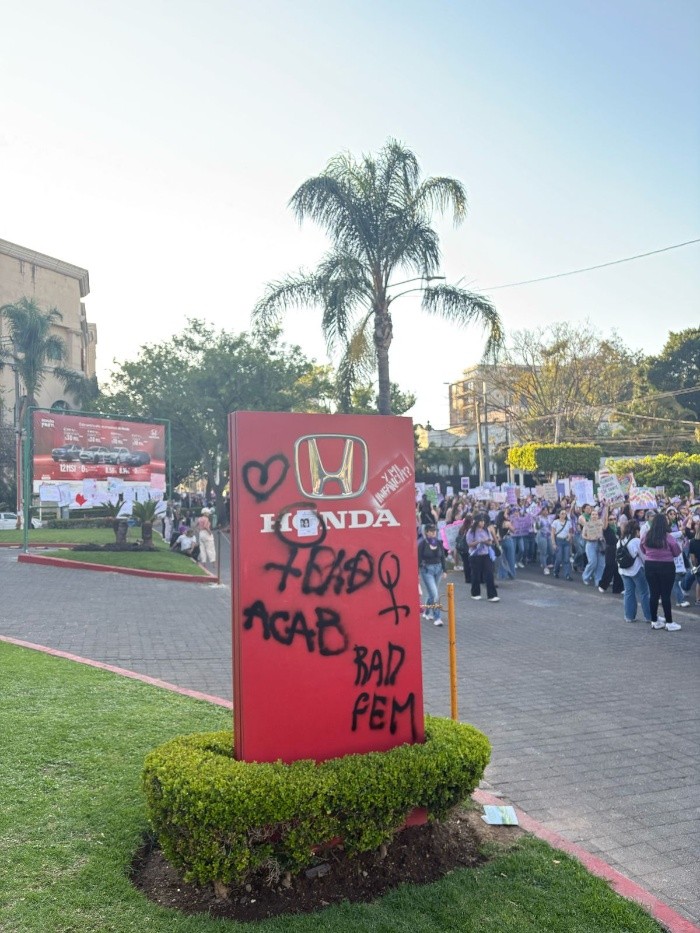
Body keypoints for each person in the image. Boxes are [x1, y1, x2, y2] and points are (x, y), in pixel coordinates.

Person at [641, 513, 682, 631]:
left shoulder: (646, 535)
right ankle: (669, 622)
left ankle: (654, 621)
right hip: (666, 566)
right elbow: (676, 552)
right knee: (665, 594)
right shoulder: (668, 537)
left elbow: (642, 548)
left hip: (650, 565)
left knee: (653, 594)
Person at [617, 520, 651, 623]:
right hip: (636, 570)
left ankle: (629, 616)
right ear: (636, 531)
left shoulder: (620, 541)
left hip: (623, 570)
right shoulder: (636, 541)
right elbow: (644, 557)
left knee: (629, 593)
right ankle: (649, 617)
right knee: (644, 593)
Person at [417, 525, 446, 626]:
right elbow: (418, 558)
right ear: (426, 532)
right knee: (434, 594)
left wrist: (445, 570)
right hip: (427, 570)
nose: (434, 533)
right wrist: (417, 573)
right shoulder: (422, 544)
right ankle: (437, 617)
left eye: (435, 531)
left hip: (438, 569)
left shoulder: (438, 542)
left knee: (432, 593)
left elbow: (443, 557)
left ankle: (426, 612)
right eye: (431, 531)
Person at [466, 513, 499, 601]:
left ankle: (492, 595)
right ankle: (475, 593)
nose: (482, 523)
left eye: (483, 521)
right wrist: (478, 542)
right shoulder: (471, 531)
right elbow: (469, 544)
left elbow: (490, 542)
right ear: (476, 522)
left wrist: (486, 541)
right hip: (475, 555)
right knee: (476, 575)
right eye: (481, 521)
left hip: (486, 554)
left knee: (489, 574)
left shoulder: (486, 530)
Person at [598, 508, 624, 594]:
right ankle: (603, 585)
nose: (613, 521)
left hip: (618, 549)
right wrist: (606, 508)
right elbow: (604, 520)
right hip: (610, 549)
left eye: (614, 519)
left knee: (618, 568)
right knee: (609, 567)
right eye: (611, 519)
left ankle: (618, 589)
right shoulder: (606, 528)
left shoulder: (618, 528)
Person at [581, 506, 605, 587]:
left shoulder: (601, 523)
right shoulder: (587, 524)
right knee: (592, 562)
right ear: (590, 516)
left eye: (596, 514)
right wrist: (589, 538)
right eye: (593, 514)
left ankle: (598, 580)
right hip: (590, 544)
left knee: (601, 564)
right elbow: (583, 535)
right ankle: (586, 577)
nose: (594, 516)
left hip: (600, 544)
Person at [551, 509, 574, 580]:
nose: (563, 515)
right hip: (559, 541)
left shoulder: (568, 522)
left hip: (566, 541)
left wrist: (570, 537)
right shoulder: (555, 522)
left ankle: (567, 575)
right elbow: (552, 533)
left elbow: (570, 532)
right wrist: (554, 543)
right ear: (559, 514)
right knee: (559, 558)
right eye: (562, 513)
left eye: (565, 513)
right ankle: (556, 571)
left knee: (566, 559)